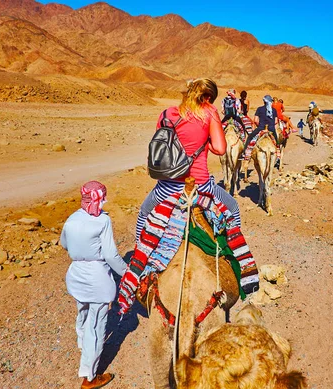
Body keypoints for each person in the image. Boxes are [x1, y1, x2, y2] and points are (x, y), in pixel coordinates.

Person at [134, 78, 259, 295]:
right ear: (208, 97)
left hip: (167, 188)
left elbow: (160, 146)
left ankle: (139, 265)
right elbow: (220, 149)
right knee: (233, 207)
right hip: (201, 187)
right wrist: (207, 141)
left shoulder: (167, 114)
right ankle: (235, 256)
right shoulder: (209, 113)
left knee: (144, 213)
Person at [61, 181, 127, 389]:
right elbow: (110, 255)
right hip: (97, 278)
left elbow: (64, 244)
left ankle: (83, 345)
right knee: (97, 327)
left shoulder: (72, 219)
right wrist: (127, 272)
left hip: (76, 274)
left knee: (82, 311)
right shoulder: (102, 222)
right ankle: (89, 377)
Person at [240, 95, 279, 159]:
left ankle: (244, 153)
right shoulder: (274, 110)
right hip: (271, 129)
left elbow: (255, 120)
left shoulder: (259, 109)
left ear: (264, 101)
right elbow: (276, 121)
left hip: (261, 128)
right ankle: (278, 156)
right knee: (277, 142)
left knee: (249, 137)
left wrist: (259, 125)